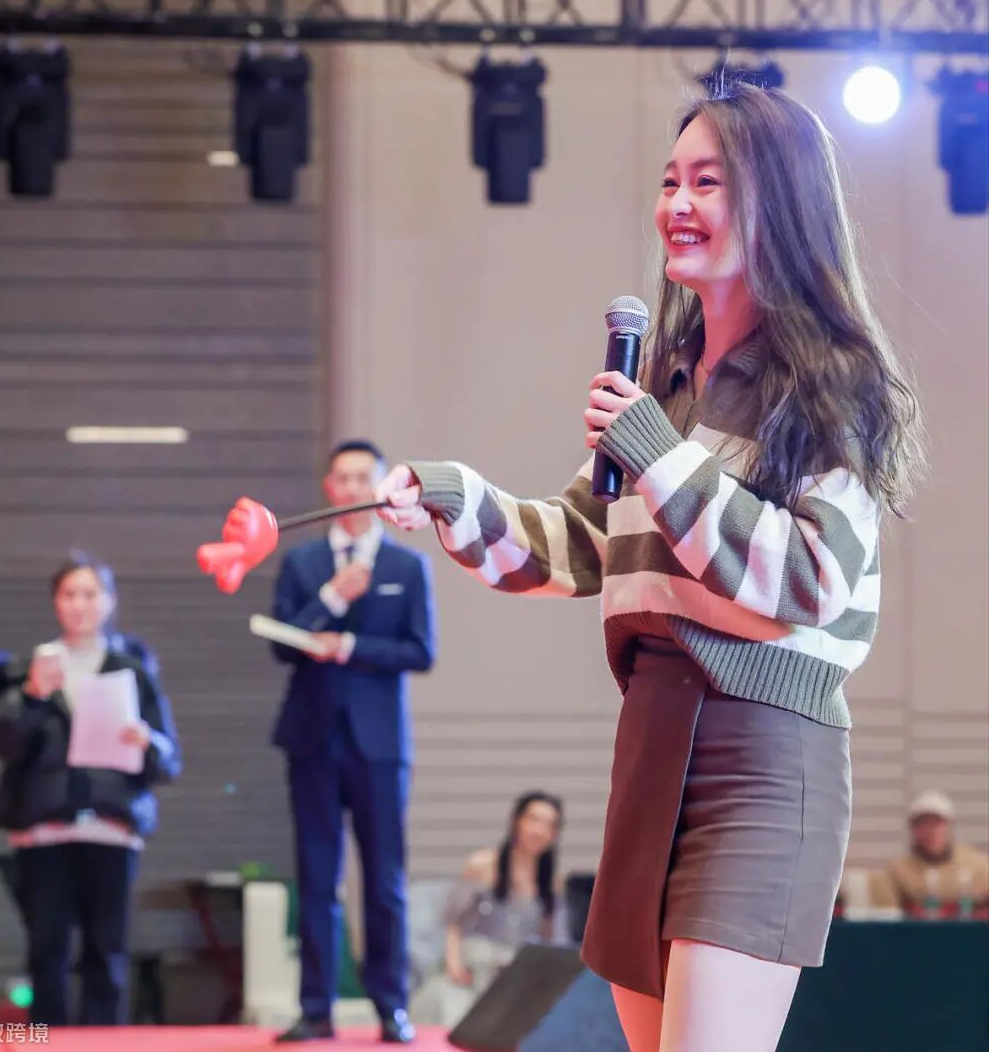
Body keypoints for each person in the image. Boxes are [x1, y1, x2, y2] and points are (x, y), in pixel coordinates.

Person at [374, 83, 923, 1052]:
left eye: (708, 182)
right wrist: (455, 497)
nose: (678, 203)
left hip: (762, 754)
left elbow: (809, 580)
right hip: (650, 742)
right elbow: (582, 544)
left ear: (779, 200)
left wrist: (655, 454)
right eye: (670, 181)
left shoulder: (833, 381)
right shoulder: (665, 382)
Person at [268, 439, 437, 1044]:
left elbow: (421, 651)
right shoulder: (302, 563)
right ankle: (316, 1008)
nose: (353, 488)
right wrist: (332, 598)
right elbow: (280, 644)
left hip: (380, 745)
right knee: (317, 878)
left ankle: (391, 1006)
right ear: (329, 488)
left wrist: (352, 647)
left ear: (382, 487)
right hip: (312, 738)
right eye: (342, 478)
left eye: (365, 477)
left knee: (385, 880)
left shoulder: (406, 567)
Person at [0, 552, 181, 1026]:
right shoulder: (30, 668)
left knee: (107, 952)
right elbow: (1, 743)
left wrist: (146, 742)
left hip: (111, 827)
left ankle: (103, 1038)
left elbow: (168, 760)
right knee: (46, 950)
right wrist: (32, 694)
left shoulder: (133, 670)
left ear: (109, 601)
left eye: (90, 594)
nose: (80, 604)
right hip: (44, 829)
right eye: (69, 594)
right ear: (56, 602)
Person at [417, 791, 566, 1027]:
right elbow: (454, 922)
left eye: (549, 824)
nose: (539, 830)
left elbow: (552, 939)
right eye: (534, 819)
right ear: (516, 821)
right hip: (475, 970)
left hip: (518, 977)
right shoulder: (483, 865)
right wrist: (454, 965)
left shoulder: (551, 883)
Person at [872, 791, 989, 918]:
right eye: (923, 823)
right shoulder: (895, 872)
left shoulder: (979, 865)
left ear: (950, 827)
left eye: (937, 823)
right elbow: (888, 920)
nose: (931, 831)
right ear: (912, 829)